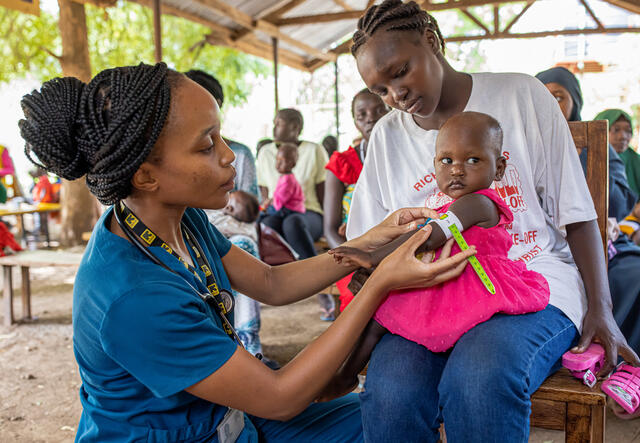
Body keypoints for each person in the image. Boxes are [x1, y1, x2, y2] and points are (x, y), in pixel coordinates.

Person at [19, 62, 475, 442]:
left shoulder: (176, 219)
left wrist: (371, 240)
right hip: (209, 429)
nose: (229, 157)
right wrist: (378, 283)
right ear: (145, 176)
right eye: (206, 146)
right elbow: (279, 396)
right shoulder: (133, 296)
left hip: (231, 421)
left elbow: (272, 283)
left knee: (400, 420)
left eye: (221, 137)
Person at [344, 1, 639, 441]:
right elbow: (371, 244)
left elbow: (577, 216)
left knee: (479, 378)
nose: (396, 95)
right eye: (381, 89)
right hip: (433, 295)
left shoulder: (522, 95)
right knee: (391, 394)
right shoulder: (387, 137)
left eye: (400, 71)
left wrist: (602, 309)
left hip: (532, 280)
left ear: (430, 41)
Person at [326, 112, 551, 395]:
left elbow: (430, 236)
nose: (457, 170)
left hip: (474, 282)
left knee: (381, 314)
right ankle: (344, 375)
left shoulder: (479, 203)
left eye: (473, 160)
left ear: (499, 168)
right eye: (447, 161)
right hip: (448, 275)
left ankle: (345, 375)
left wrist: (373, 257)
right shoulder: (455, 205)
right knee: (380, 315)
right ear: (434, 165)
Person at [536, 67, 640, 360]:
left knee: (634, 278)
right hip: (546, 247)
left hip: (600, 242)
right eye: (542, 96)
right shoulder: (524, 146)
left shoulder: (596, 146)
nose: (550, 104)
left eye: (559, 96)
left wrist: (582, 161)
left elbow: (619, 205)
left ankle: (626, 369)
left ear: (575, 102)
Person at [257, 108, 335, 319]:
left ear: (296, 127)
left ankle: (321, 288)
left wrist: (331, 226)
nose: (274, 128)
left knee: (293, 223)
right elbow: (265, 192)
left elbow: (324, 192)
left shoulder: (314, 150)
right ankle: (272, 286)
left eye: (279, 123)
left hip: (309, 213)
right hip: (278, 211)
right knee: (267, 225)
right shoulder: (265, 153)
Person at [324, 89, 388, 311]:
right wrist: (353, 260)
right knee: (356, 298)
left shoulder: (406, 157)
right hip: (353, 251)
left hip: (397, 249)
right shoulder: (343, 163)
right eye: (362, 114)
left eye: (380, 110)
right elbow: (331, 230)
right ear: (354, 120)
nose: (371, 117)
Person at [185, 69, 259, 200]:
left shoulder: (241, 154)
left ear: (216, 105)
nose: (229, 157)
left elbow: (250, 208)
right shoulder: (177, 158)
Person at [595, 109, 640, 198]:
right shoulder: (588, 159)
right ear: (598, 131)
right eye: (616, 130)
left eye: (628, 131)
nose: (622, 137)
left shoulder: (636, 161)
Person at [264, 142, 305, 217]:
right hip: (284, 206)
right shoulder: (284, 177)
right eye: (277, 160)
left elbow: (281, 200)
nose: (278, 164)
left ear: (292, 164)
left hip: (290, 209)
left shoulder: (288, 180)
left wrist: (269, 203)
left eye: (282, 161)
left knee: (262, 212)